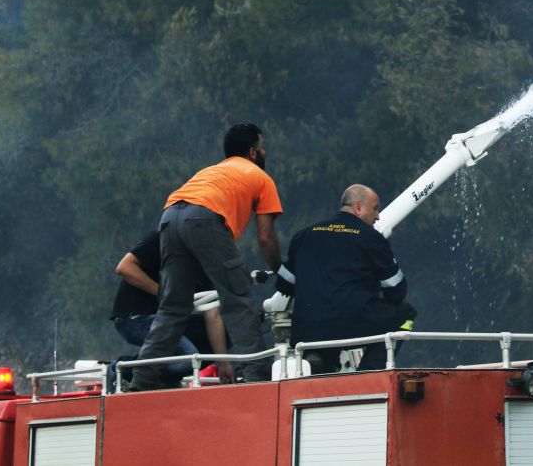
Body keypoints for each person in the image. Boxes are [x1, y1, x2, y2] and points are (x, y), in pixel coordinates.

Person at [132, 123, 283, 390]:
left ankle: (140, 382)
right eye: (262, 146)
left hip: (170, 215)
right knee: (237, 299)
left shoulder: (211, 171)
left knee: (172, 308)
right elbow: (265, 237)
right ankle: (259, 379)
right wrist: (281, 272)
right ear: (252, 151)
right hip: (203, 218)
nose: (264, 151)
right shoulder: (260, 177)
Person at [275, 184, 416, 372]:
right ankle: (369, 371)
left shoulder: (304, 235)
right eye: (375, 209)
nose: (378, 216)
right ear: (358, 208)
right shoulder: (371, 238)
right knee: (405, 312)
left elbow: (284, 284)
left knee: (323, 321)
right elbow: (396, 288)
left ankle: (319, 360)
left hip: (308, 331)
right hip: (352, 327)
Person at [110, 230, 234, 385]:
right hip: (135, 317)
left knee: (229, 328)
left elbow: (212, 313)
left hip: (173, 320)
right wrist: (164, 295)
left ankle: (165, 380)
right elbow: (124, 267)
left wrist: (223, 362)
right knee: (188, 359)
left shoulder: (207, 262)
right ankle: (121, 369)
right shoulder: (165, 238)